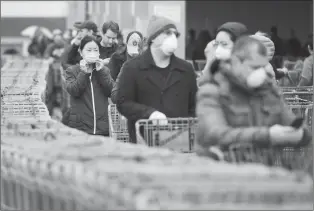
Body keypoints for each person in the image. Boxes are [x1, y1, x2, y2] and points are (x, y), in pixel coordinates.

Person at [195, 36, 311, 157]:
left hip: (266, 170)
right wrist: (268, 135)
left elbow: (292, 122)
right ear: (235, 62)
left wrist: (300, 134)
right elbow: (216, 134)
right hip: (224, 170)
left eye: (263, 67)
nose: (260, 73)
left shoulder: (269, 91)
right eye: (255, 67)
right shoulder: (212, 91)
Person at [116, 15, 198, 143]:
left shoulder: (186, 69)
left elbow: (194, 105)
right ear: (153, 38)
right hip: (143, 142)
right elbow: (123, 103)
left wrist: (183, 125)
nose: (173, 38)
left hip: (179, 143)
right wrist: (149, 113)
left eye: (175, 34)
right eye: (167, 33)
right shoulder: (132, 68)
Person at [64, 35, 115, 136]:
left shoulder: (104, 70)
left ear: (99, 53)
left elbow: (112, 92)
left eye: (95, 50)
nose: (92, 53)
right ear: (81, 52)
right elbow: (74, 91)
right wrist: (84, 73)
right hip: (80, 128)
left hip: (102, 128)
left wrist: (102, 72)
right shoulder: (72, 71)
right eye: (89, 50)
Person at [199, 22, 248, 86]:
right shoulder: (217, 70)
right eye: (216, 44)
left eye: (224, 44)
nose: (218, 49)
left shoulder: (248, 74)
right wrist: (209, 63)